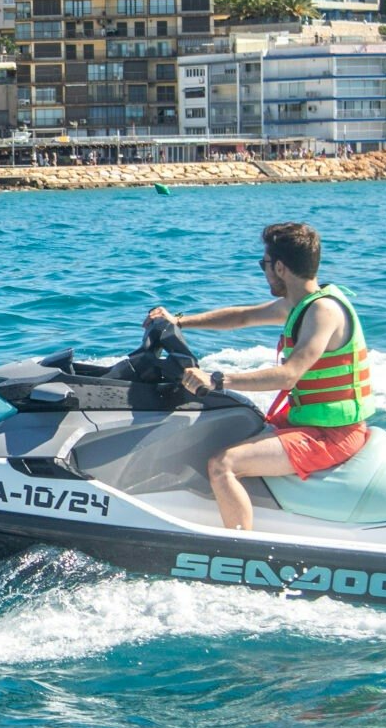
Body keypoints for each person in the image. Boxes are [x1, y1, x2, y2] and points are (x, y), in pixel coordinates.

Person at [146, 220, 373, 532]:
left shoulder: (323, 312)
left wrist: (217, 380)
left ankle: (238, 549)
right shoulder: (300, 304)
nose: (263, 270)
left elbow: (289, 375)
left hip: (333, 435)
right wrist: (179, 321)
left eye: (263, 263)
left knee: (223, 465)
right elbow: (243, 316)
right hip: (309, 422)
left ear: (279, 267)